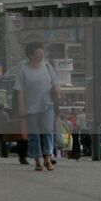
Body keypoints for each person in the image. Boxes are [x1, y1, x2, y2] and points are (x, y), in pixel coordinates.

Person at [12, 41, 60, 171]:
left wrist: (56, 90)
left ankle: (48, 158)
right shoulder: (23, 71)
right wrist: (21, 107)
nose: (42, 53)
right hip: (31, 107)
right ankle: (37, 160)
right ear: (31, 55)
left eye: (42, 50)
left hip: (47, 104)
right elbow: (20, 91)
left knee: (48, 131)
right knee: (34, 134)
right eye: (38, 51)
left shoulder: (48, 67)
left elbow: (55, 83)